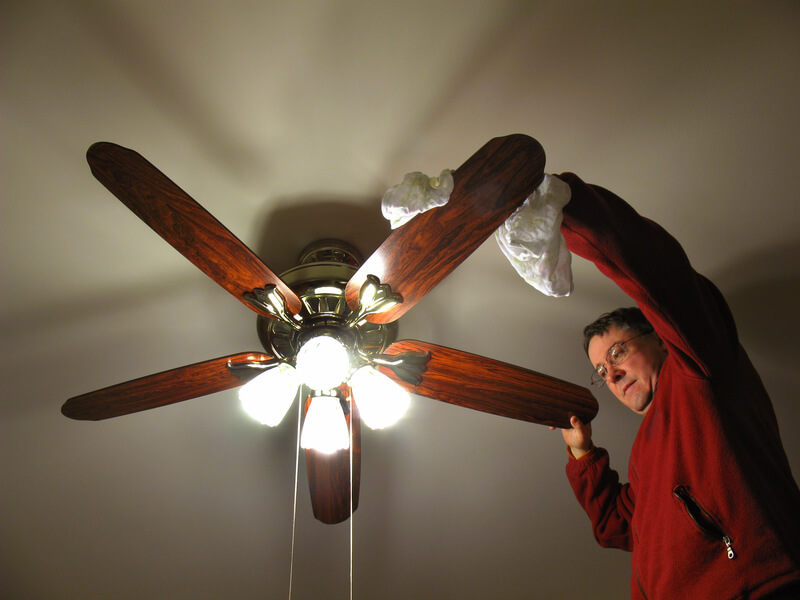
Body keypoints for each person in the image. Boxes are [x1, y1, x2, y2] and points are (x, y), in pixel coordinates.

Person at [552, 172, 800, 599]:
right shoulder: (647, 453)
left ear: (660, 340)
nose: (609, 375)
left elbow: (663, 276)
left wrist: (564, 206)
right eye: (600, 370)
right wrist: (582, 452)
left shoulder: (700, 372)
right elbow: (616, 526)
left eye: (616, 354)